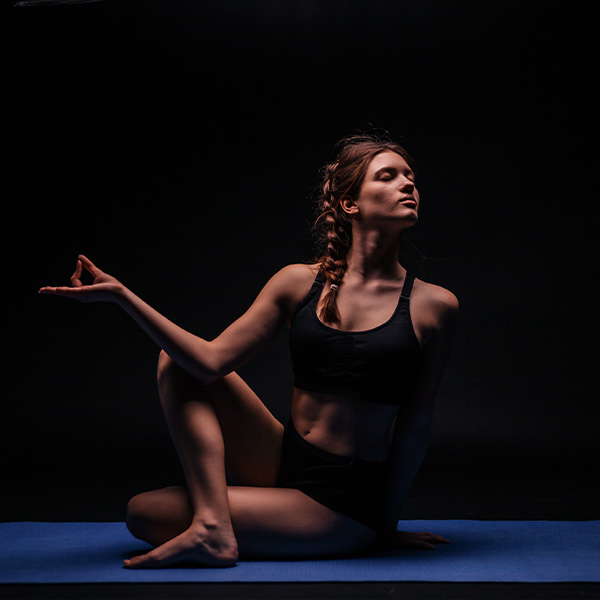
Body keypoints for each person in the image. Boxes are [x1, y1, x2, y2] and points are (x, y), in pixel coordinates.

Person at [39, 133, 458, 568]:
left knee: (146, 513)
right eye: (388, 177)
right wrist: (122, 296)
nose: (407, 185)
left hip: (342, 501)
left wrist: (383, 527)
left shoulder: (434, 305)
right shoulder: (298, 282)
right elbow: (208, 362)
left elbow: (415, 425)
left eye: (410, 177)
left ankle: (214, 528)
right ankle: (212, 525)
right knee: (177, 363)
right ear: (351, 204)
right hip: (284, 461)